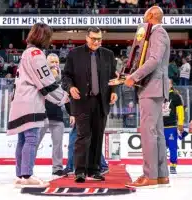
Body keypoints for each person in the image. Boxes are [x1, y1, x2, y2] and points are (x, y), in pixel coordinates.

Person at [7, 23, 68, 187]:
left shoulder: (26, 53)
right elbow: (46, 80)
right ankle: (27, 175)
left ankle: (21, 175)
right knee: (31, 139)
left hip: (19, 100)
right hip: (30, 101)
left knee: (22, 139)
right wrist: (63, 96)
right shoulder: (36, 53)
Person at [62, 26, 117, 183]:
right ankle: (79, 171)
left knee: (98, 136)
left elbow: (113, 76)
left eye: (99, 39)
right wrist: (70, 87)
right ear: (86, 38)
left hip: (101, 102)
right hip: (81, 102)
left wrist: (113, 91)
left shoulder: (108, 54)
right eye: (94, 39)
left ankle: (94, 170)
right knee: (83, 136)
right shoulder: (74, 54)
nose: (97, 42)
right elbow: (66, 76)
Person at [124, 6, 170, 188]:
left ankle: (149, 175)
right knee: (157, 133)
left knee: (148, 132)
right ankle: (161, 175)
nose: (143, 19)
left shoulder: (158, 33)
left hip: (151, 87)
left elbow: (154, 60)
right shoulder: (160, 34)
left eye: (144, 16)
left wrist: (134, 76)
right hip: (156, 87)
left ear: (151, 16)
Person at [35, 53, 67, 179]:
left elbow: (66, 94)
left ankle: (58, 168)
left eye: (56, 61)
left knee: (58, 145)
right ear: (46, 63)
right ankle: (28, 167)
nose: (55, 64)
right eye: (52, 61)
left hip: (57, 116)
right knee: (35, 143)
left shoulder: (64, 76)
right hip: (42, 115)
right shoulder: (41, 76)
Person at [162, 79, 185, 174]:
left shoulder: (176, 96)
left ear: (171, 85)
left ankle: (173, 165)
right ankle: (161, 166)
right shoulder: (158, 96)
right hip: (160, 127)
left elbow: (180, 111)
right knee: (160, 148)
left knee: (172, 147)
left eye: (168, 83)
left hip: (171, 126)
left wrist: (180, 124)